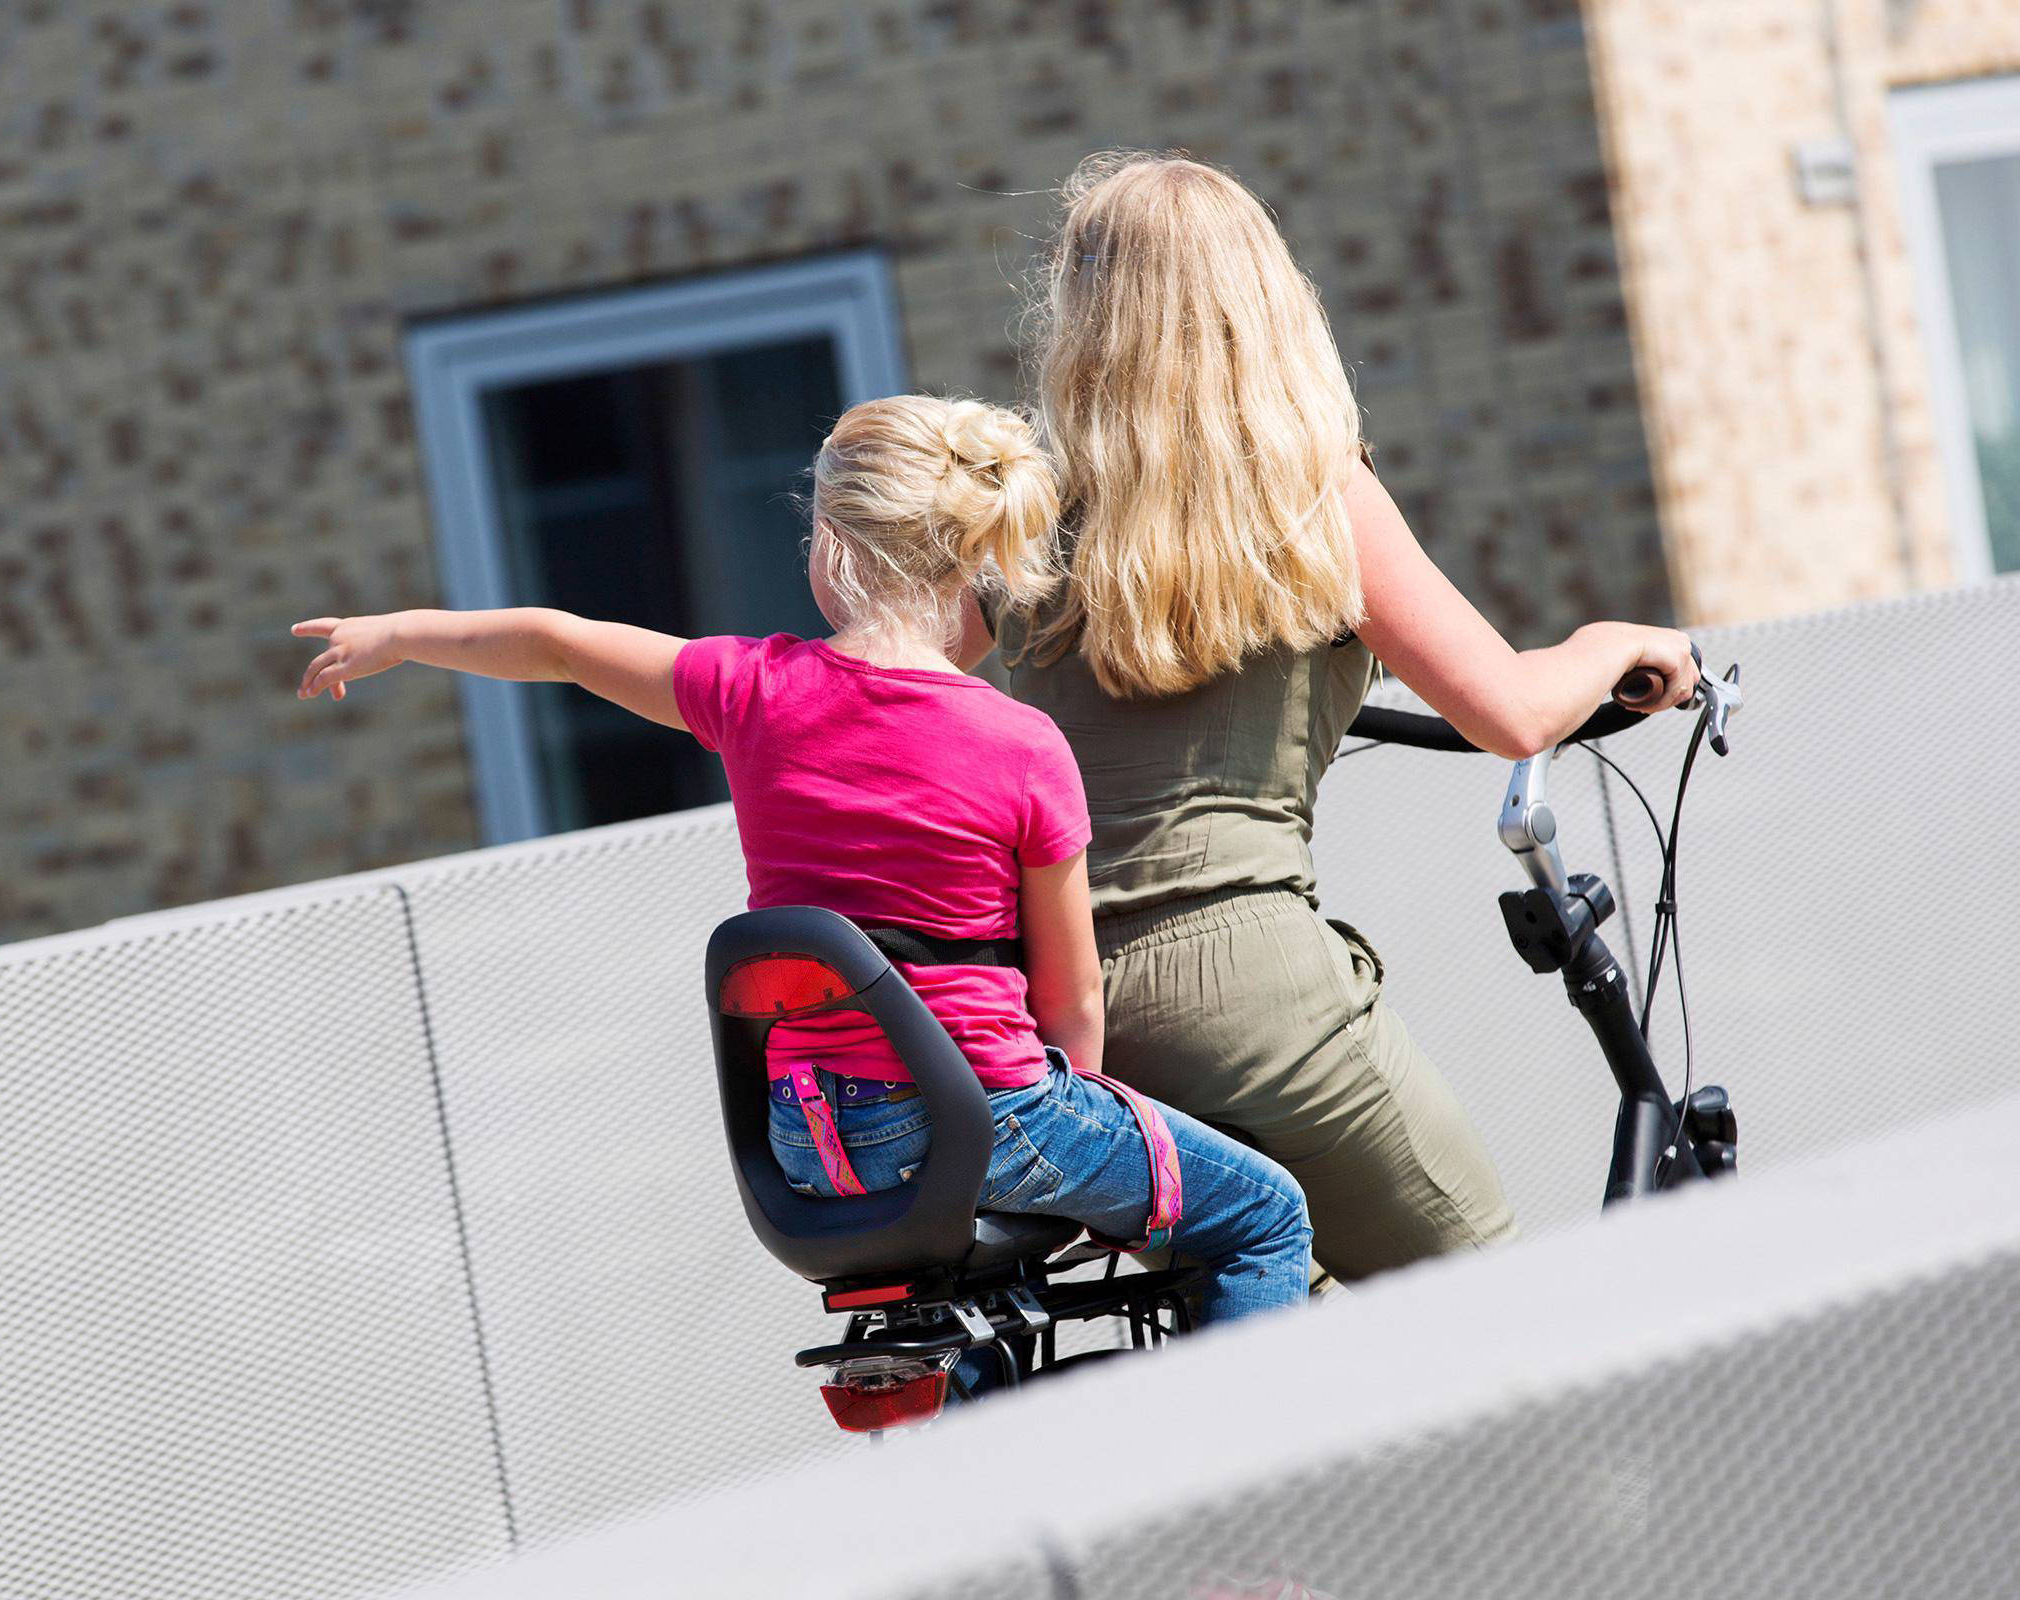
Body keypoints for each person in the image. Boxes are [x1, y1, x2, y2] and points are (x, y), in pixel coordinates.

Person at [291, 394, 1312, 1327]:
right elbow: (1072, 994)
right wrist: (1082, 1131)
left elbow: (560, 643)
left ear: (831, 546)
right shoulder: (1023, 745)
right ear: (978, 566)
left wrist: (402, 633)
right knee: (1265, 1216)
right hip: (988, 1120)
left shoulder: (752, 692)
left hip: (807, 1142)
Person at [961, 152, 1701, 1283]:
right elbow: (1512, 712)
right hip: (1257, 998)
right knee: (1495, 1297)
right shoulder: (1312, 494)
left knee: (1278, 1308)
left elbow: (909, 677)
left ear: (1083, 319)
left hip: (1075, 1019)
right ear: (1266, 299)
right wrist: (1613, 644)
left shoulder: (1031, 521)